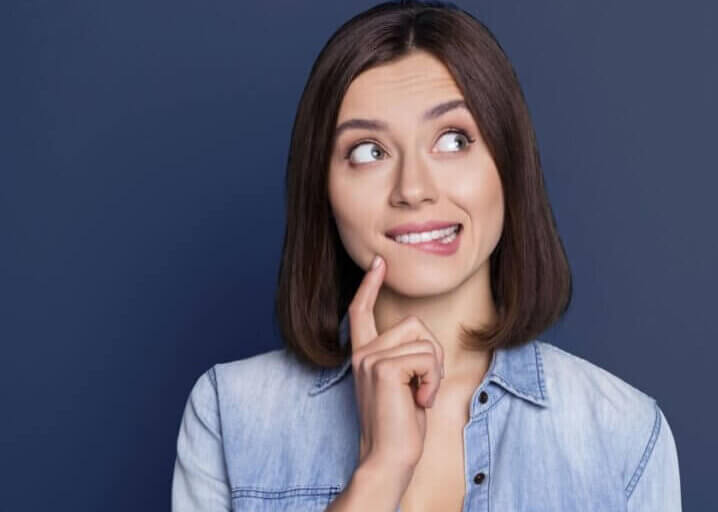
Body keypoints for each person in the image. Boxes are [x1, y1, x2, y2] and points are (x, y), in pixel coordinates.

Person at [171, 1, 682, 510]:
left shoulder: (623, 436)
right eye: (369, 151)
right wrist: (380, 472)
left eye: (454, 140)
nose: (412, 189)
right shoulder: (230, 414)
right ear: (322, 187)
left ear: (509, 165)